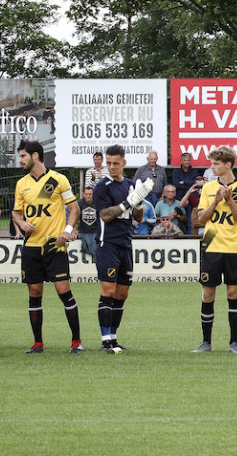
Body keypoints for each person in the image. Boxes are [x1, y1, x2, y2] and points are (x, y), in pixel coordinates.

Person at [12, 140, 82, 354]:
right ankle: (38, 343)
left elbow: (74, 209)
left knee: (63, 291)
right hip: (31, 246)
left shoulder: (58, 179)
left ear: (35, 155)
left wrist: (67, 231)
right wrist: (21, 222)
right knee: (34, 292)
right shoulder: (21, 183)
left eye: (23, 156)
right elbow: (16, 212)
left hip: (54, 245)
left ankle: (76, 342)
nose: (20, 160)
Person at [92, 145, 153, 354]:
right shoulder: (102, 187)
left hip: (126, 244)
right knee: (108, 291)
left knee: (122, 293)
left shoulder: (129, 184)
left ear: (124, 163)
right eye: (108, 163)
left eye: (115, 163)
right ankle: (105, 340)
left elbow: (138, 218)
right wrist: (128, 202)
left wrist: (139, 203)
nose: (111, 167)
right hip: (107, 244)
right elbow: (105, 215)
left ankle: (114, 338)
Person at [192, 145, 237, 353]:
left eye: (216, 164)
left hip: (234, 247)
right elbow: (200, 218)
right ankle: (206, 342)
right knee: (208, 294)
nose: (212, 167)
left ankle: (233, 343)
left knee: (233, 294)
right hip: (211, 246)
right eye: (212, 163)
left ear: (228, 165)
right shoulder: (208, 188)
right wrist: (216, 201)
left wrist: (228, 200)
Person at [78, 185, 99, 257]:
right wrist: (73, 232)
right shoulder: (79, 203)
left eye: (90, 194)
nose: (88, 196)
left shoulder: (98, 203)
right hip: (83, 231)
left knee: (94, 251)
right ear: (83, 194)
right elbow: (74, 217)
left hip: (95, 231)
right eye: (86, 194)